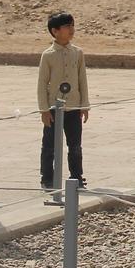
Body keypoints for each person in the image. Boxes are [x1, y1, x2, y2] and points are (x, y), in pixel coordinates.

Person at [37, 12, 89, 190]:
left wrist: (84, 105)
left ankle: (76, 177)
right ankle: (47, 178)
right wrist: (44, 109)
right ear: (55, 31)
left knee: (75, 145)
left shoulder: (78, 53)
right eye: (67, 27)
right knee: (49, 146)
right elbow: (42, 83)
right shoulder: (48, 55)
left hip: (73, 107)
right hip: (53, 107)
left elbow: (82, 79)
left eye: (72, 26)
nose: (72, 30)